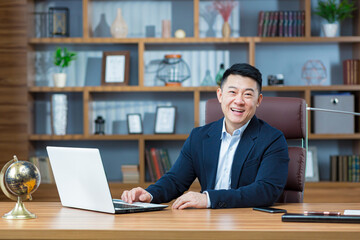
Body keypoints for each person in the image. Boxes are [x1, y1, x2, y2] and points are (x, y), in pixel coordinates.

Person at [121, 63, 289, 209]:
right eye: (232, 92)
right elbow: (175, 180)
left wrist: (208, 199)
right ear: (220, 95)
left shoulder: (272, 139)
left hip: (247, 221)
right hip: (206, 221)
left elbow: (266, 190)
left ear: (259, 100)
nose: (239, 101)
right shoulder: (199, 137)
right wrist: (148, 195)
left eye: (247, 94)